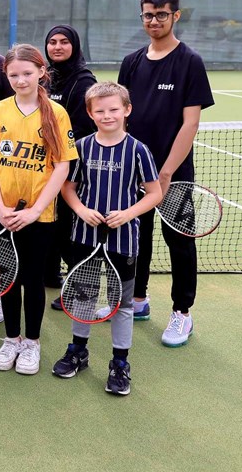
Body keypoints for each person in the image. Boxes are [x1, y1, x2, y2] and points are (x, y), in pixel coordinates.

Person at [118, 0, 214, 347]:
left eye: (161, 14)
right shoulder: (132, 62)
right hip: (136, 172)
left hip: (174, 174)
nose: (153, 21)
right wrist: (133, 166)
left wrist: (167, 172)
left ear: (176, 15)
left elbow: (190, 124)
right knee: (135, 238)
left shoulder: (190, 61)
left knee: (179, 242)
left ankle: (182, 314)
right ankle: (137, 300)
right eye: (147, 14)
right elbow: (122, 116)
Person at [52, 82, 161, 396]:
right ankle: (78, 351)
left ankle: (120, 363)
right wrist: (81, 209)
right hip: (83, 238)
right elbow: (68, 188)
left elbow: (154, 193)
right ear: (90, 113)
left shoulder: (139, 150)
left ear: (127, 110)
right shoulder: (82, 147)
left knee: (122, 304)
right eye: (99, 110)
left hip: (123, 241)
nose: (107, 115)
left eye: (114, 109)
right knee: (83, 297)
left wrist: (127, 214)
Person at [0, 44, 77, 375]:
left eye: (27, 73)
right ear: (6, 77)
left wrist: (36, 210)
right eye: (13, 75)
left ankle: (32, 343)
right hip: (3, 214)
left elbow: (62, 167)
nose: (20, 80)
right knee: (6, 280)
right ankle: (11, 339)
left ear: (41, 73)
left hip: (40, 218)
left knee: (33, 281)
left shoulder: (57, 113)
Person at [43, 25, 98, 296]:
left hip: (72, 169)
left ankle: (81, 289)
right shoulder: (45, 78)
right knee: (50, 224)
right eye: (52, 42)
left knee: (69, 228)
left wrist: (59, 159)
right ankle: (51, 275)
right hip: (45, 167)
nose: (57, 47)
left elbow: (83, 130)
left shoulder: (85, 82)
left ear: (74, 46)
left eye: (64, 42)